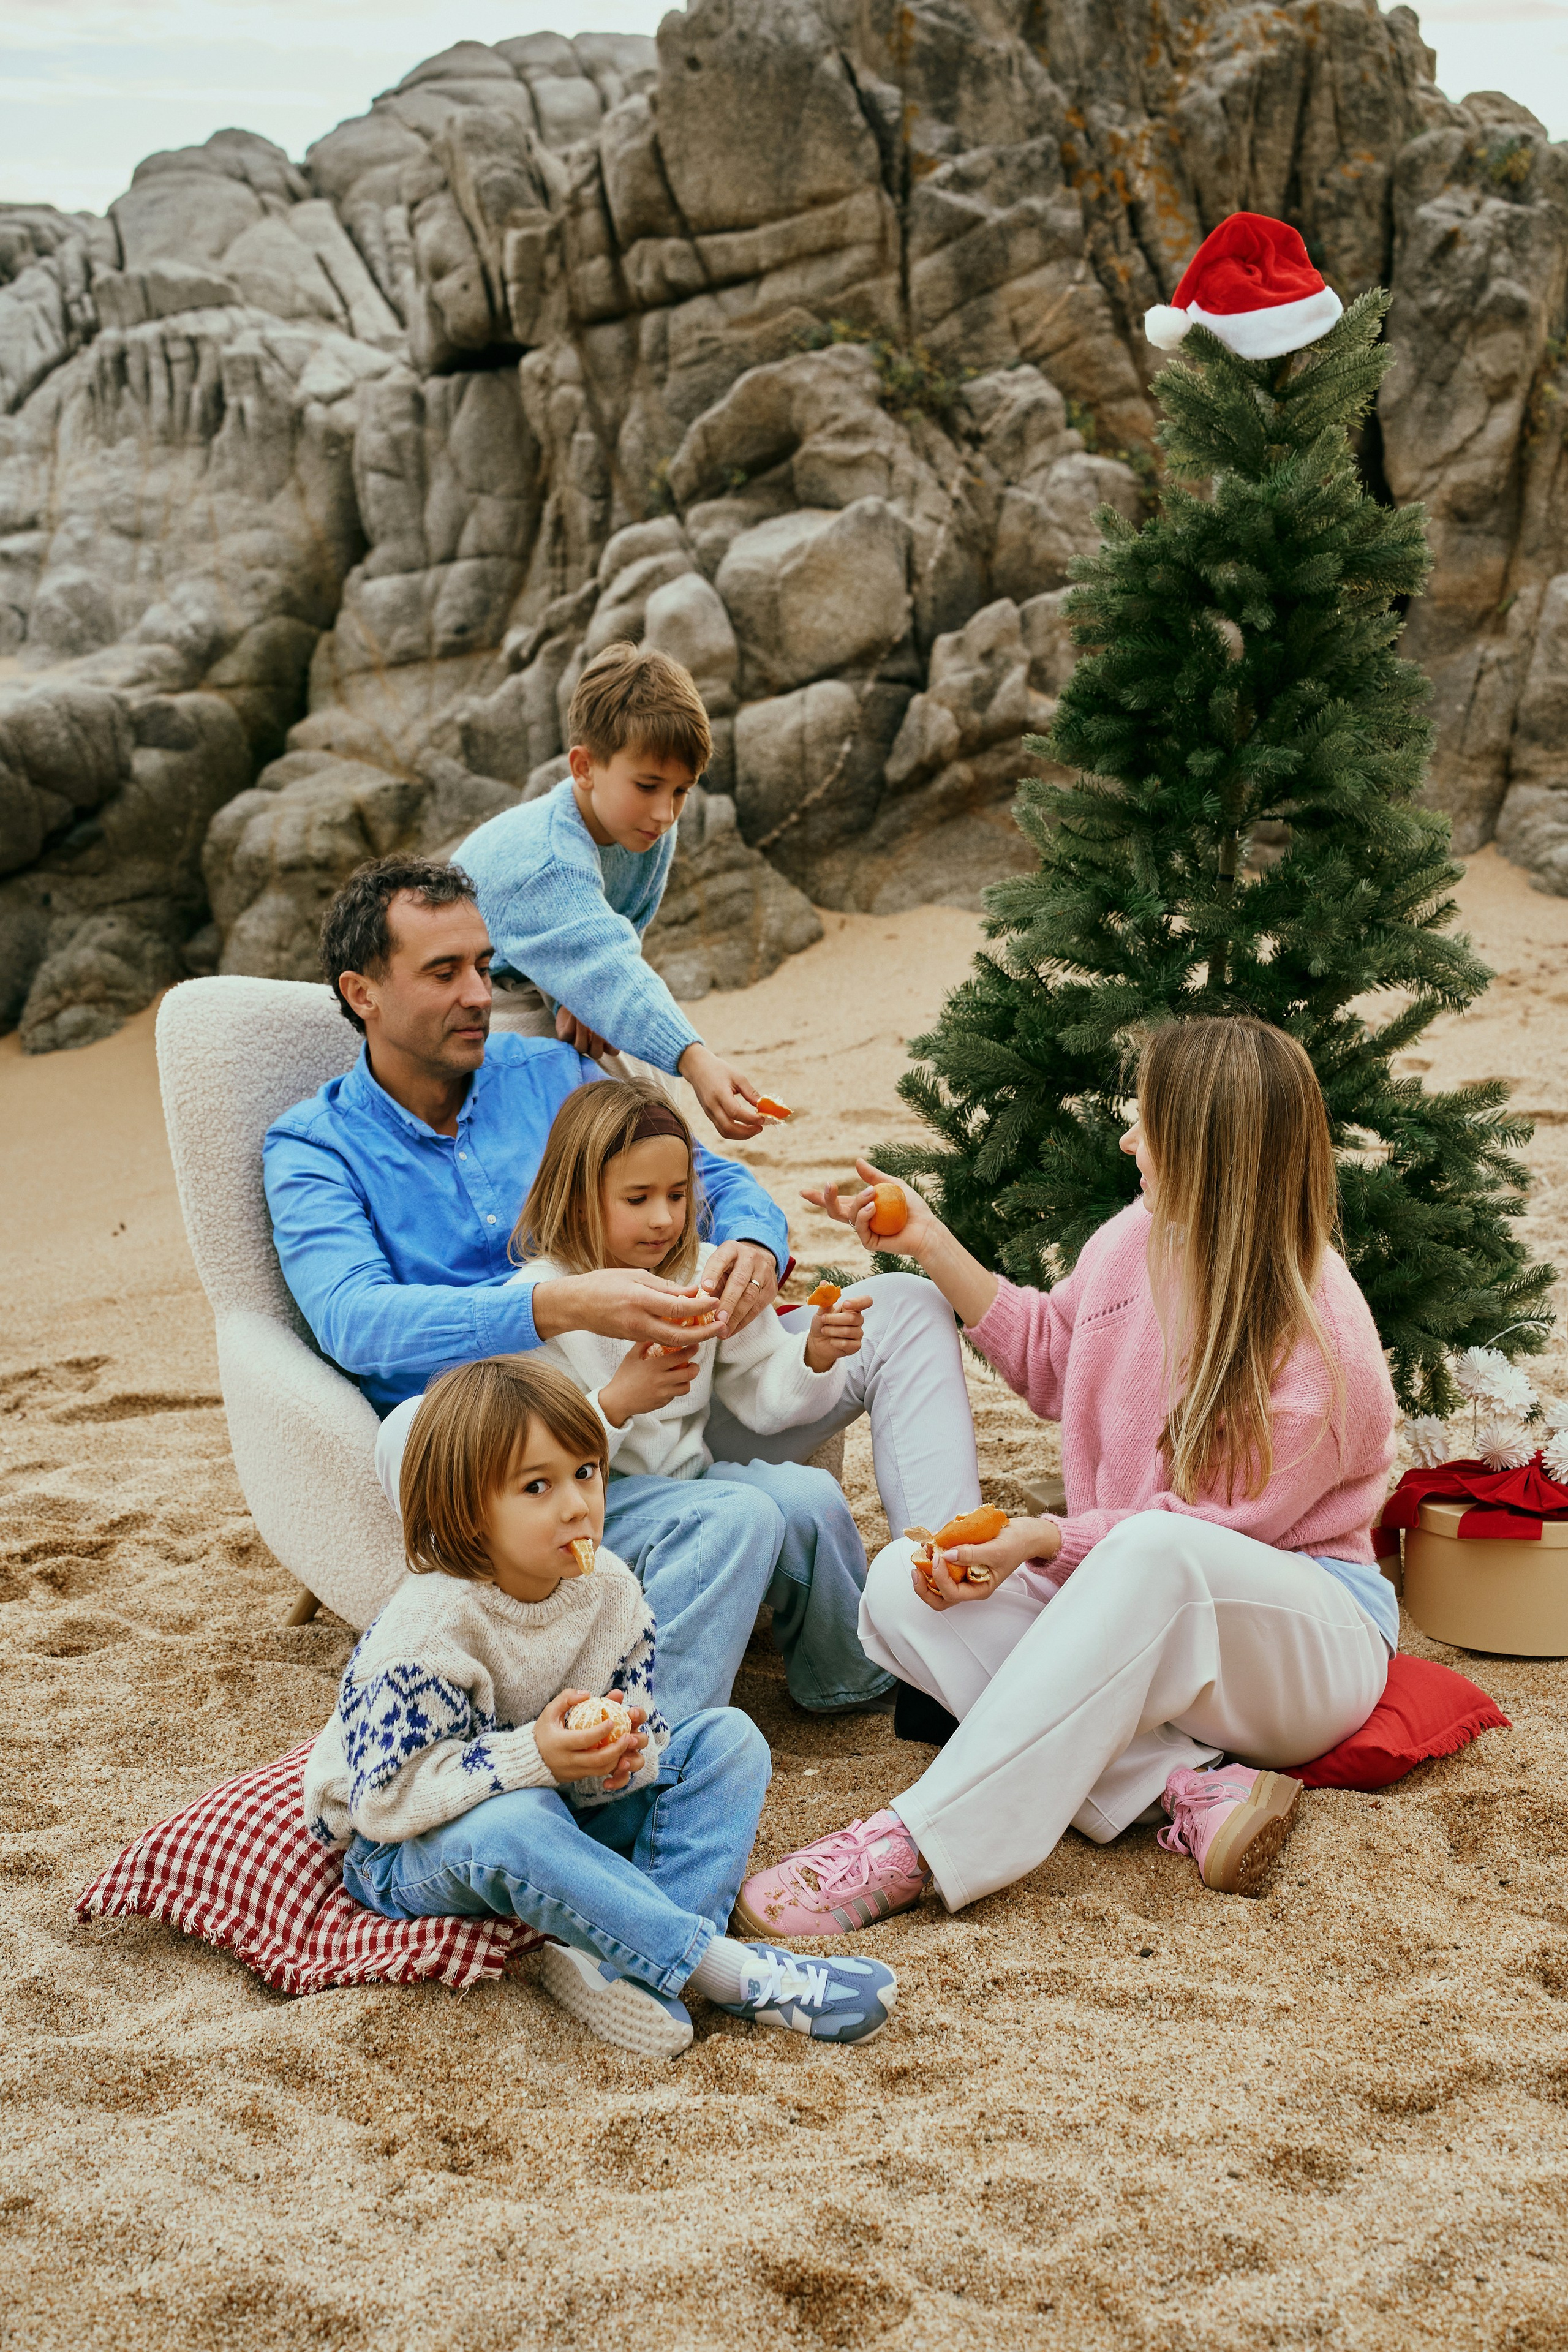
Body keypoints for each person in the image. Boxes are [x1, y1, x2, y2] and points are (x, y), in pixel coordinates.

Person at [263, 854, 980, 1722]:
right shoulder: (312, 1149)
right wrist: (563, 1303)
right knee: (429, 1425)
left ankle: (950, 1619)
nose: (480, 995)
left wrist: (752, 1246)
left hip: (669, 1391)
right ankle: (643, 1734)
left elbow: (707, 1177)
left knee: (901, 1307)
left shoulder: (549, 1073)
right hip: (495, 1446)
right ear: (362, 992)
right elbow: (354, 1323)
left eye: (484, 968)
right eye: (443, 972)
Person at [735, 1017, 1398, 1936]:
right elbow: (1052, 1358)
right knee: (900, 1587)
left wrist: (1042, 1540)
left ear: (1201, 1146)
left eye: (1146, 1122)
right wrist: (928, 1241)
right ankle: (1190, 1787)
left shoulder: (1323, 1333)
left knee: (1159, 1551)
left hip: (1302, 1644)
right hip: (1138, 1592)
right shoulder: (1134, 1239)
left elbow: (1205, 1535)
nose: (1128, 1140)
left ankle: (916, 1845)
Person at [307, 1354, 897, 2056]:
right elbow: (385, 1803)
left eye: (585, 1472)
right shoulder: (428, 1633)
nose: (576, 1504)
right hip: (409, 1847)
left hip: (558, 1806)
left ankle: (625, 1975)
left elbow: (628, 1724)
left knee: (729, 1739)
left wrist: (619, 1762)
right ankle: (720, 1970)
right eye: (536, 1486)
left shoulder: (609, 1588)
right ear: (465, 1510)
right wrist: (537, 1757)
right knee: (519, 1815)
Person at [508, 1077, 892, 1713]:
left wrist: (812, 1355)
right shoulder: (549, 1299)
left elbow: (763, 1399)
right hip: (597, 1516)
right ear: (578, 1202)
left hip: (694, 1485)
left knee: (809, 1497)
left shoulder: (699, 1273)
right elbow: (529, 1463)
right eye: (637, 1198)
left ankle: (849, 1682)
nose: (663, 1218)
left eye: (678, 1195)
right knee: (736, 1516)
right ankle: (665, 1721)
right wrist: (618, 1402)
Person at [456, 639, 766, 1140]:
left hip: (537, 977)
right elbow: (607, 963)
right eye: (647, 786)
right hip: (474, 988)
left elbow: (617, 932)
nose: (665, 813)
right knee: (605, 1097)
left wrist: (574, 997)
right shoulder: (551, 859)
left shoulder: (645, 832)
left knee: (627, 1079)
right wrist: (695, 1059)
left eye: (680, 791)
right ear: (584, 767)